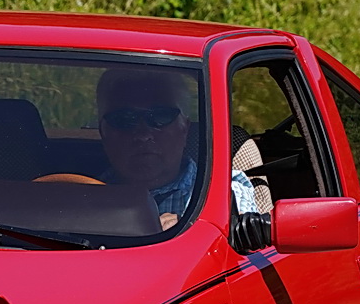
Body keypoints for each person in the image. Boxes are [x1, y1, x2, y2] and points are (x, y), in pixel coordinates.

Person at [94, 67, 259, 231]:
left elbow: (239, 251)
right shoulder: (82, 197)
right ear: (104, 132)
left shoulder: (223, 193)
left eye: (161, 116)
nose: (143, 134)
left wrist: (193, 234)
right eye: (124, 119)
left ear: (184, 129)